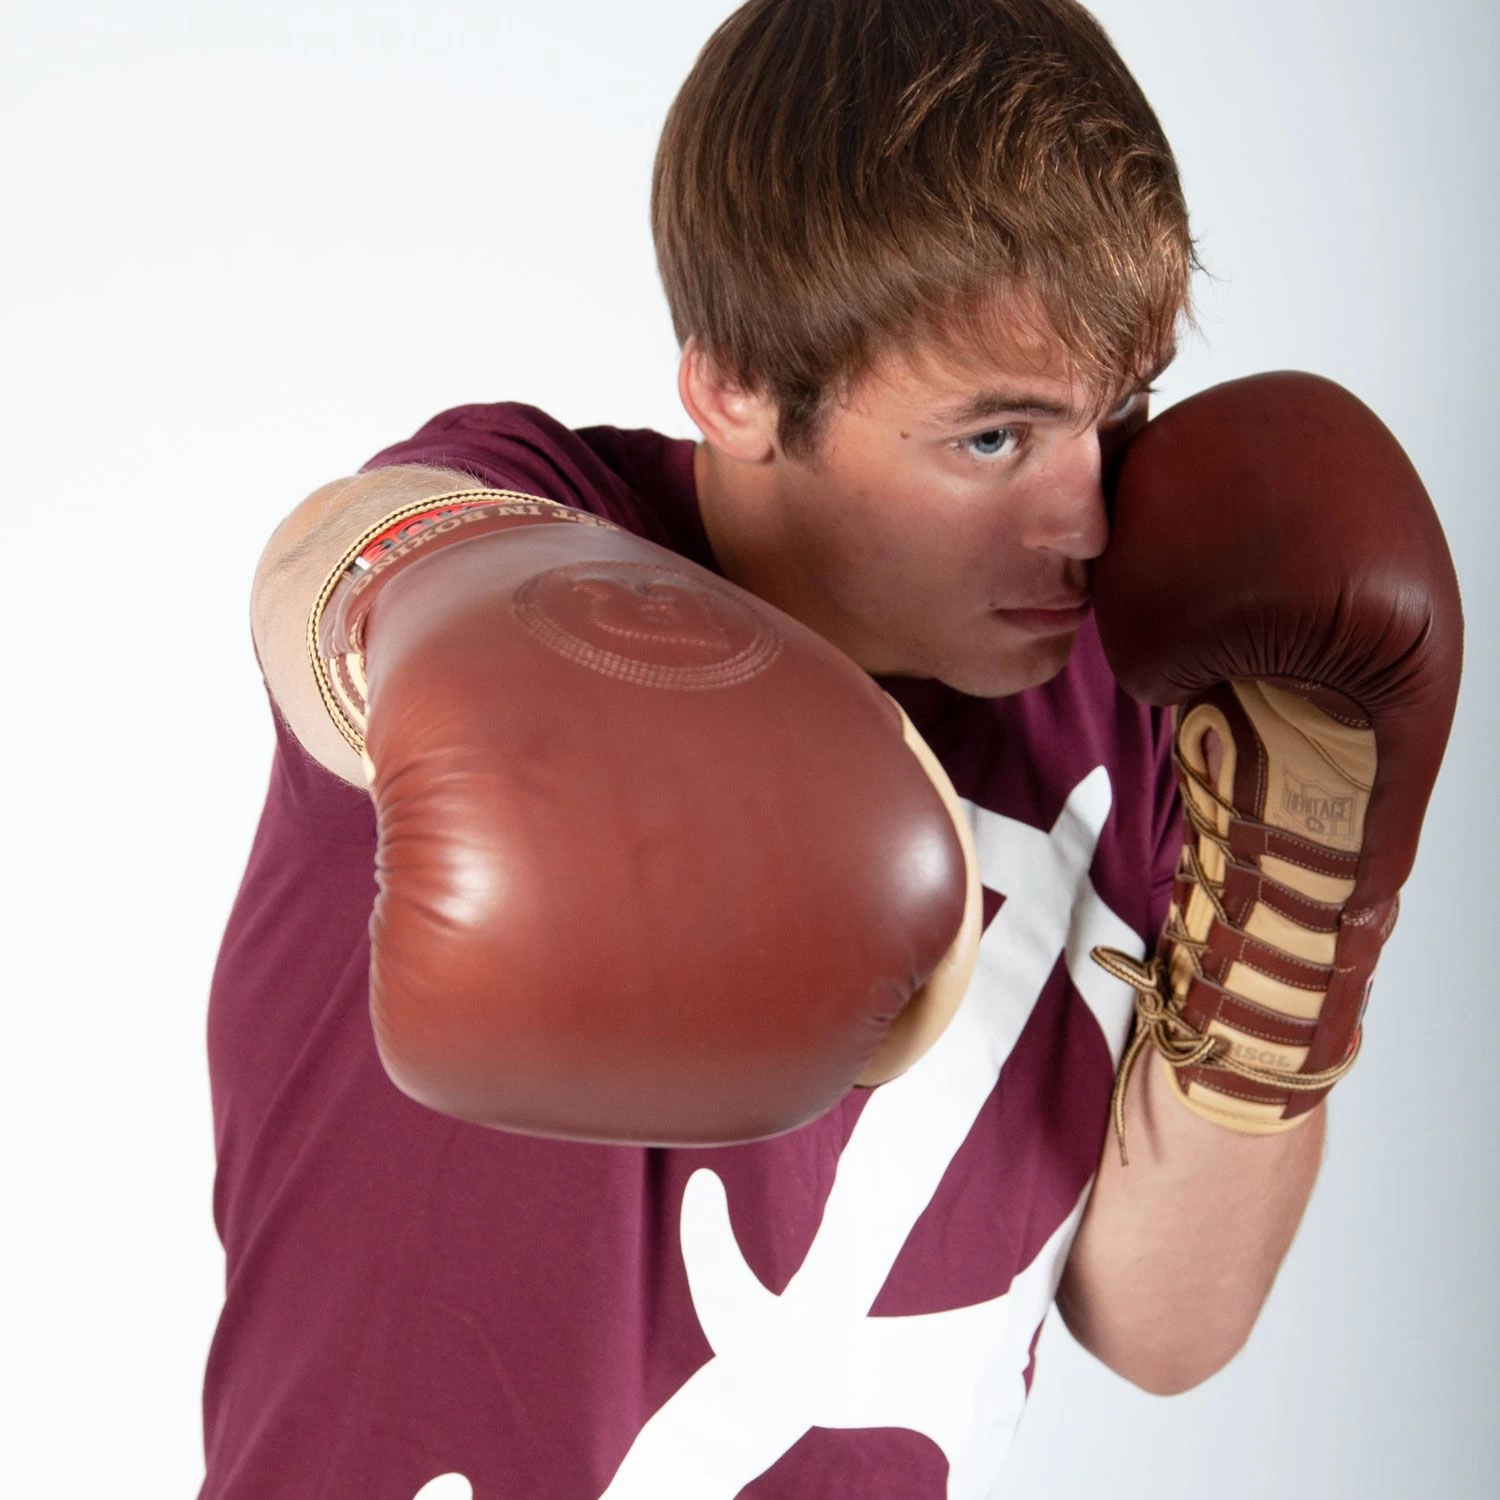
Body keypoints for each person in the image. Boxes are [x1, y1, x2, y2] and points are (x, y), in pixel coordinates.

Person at [200, 2, 1413, 1495]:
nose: (1086, 522)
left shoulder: (1135, 713)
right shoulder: (563, 537)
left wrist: (1301, 922)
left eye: (1116, 418)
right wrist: (437, 622)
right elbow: (335, 570)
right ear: (735, 388)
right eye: (993, 439)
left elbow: (1164, 1326)